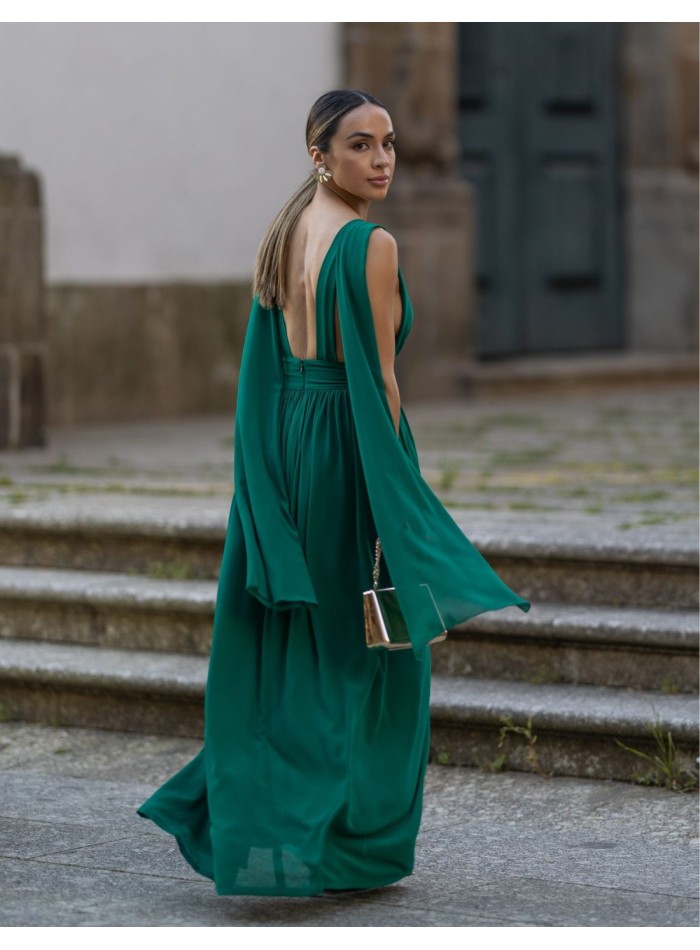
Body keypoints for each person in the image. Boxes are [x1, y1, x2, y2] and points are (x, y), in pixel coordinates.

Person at [137, 88, 530, 897]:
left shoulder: (282, 236)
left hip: (289, 444)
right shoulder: (370, 244)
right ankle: (345, 846)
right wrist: (401, 501)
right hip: (350, 452)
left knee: (304, 652)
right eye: (360, 145)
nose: (381, 160)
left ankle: (275, 829)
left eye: (389, 144)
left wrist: (269, 479)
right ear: (319, 153)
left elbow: (271, 373)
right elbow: (381, 384)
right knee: (373, 658)